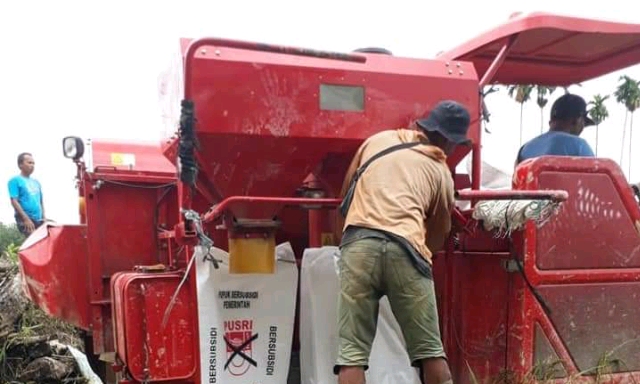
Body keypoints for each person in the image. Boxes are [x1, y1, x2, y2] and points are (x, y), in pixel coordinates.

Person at [334, 100, 471, 384]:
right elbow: (437, 232)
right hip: (406, 248)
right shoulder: (440, 171)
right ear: (447, 140)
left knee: (352, 356)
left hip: (358, 244)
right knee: (431, 352)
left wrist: (347, 243)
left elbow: (347, 191)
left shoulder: (378, 141)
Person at [515, 93, 596, 165]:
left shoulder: (524, 149)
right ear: (577, 120)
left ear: (551, 121)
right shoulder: (580, 146)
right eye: (584, 123)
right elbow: (596, 179)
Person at [8, 152, 45, 236]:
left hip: (39, 219)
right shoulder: (14, 181)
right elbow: (14, 201)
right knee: (35, 241)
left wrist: (44, 217)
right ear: (20, 165)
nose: (32, 165)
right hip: (25, 218)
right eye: (29, 163)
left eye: (33, 163)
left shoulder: (36, 182)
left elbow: (41, 201)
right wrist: (26, 219)